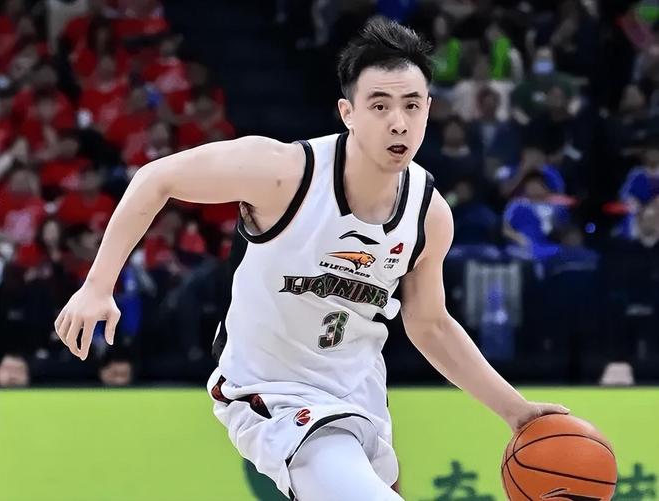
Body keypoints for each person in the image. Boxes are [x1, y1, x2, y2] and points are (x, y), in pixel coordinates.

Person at [53, 19, 568, 501]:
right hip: (272, 393)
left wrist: (515, 410)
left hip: (359, 394)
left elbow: (429, 324)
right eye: (380, 105)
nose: (398, 122)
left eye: (412, 106)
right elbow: (156, 178)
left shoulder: (429, 214)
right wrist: (98, 285)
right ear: (348, 113)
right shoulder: (284, 173)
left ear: (429, 110)